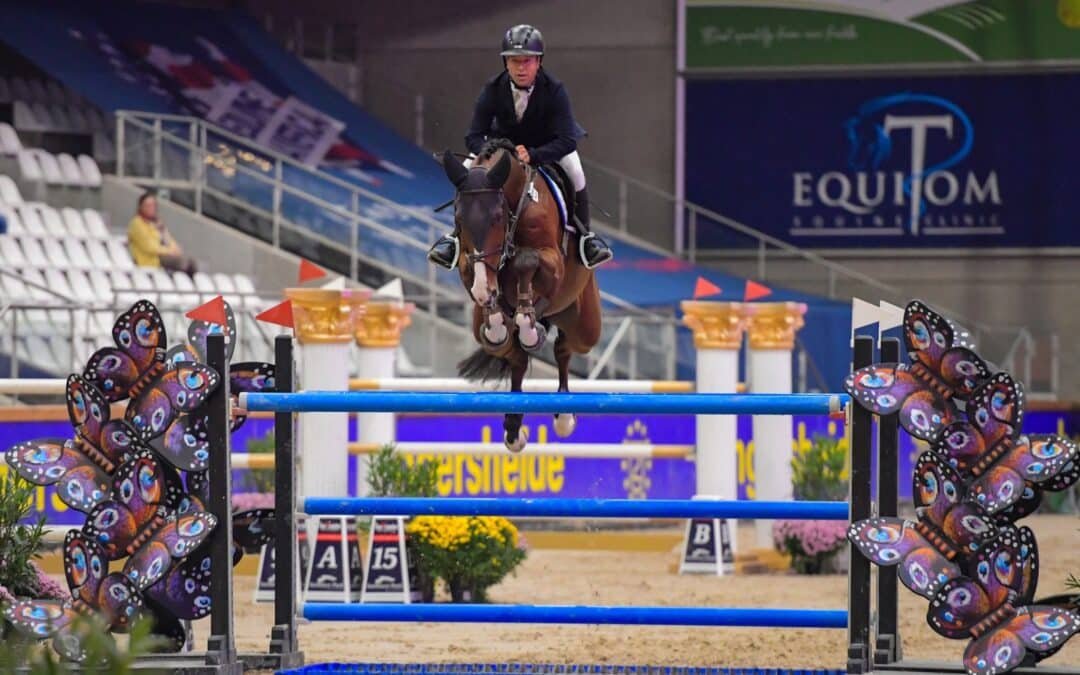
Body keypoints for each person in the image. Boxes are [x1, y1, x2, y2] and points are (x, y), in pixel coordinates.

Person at [428, 24, 613, 271]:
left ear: (538, 62)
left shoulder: (555, 90)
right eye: (514, 61)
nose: (520, 67)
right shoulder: (493, 88)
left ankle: (586, 238)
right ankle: (454, 238)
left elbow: (567, 140)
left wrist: (534, 155)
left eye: (527, 61)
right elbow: (473, 135)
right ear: (506, 63)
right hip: (503, 147)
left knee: (576, 172)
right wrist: (494, 152)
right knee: (467, 173)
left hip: (548, 145)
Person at [127, 192, 197, 276]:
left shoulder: (156, 224)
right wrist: (169, 251)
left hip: (163, 257)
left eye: (153, 205)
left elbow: (171, 243)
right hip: (149, 259)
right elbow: (150, 247)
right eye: (148, 205)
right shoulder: (137, 223)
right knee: (183, 263)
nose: (151, 208)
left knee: (191, 263)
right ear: (140, 207)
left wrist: (164, 232)